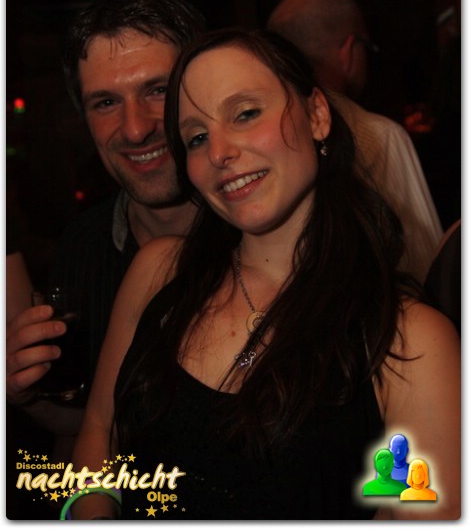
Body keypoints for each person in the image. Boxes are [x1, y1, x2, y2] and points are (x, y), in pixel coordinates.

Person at [72, 29, 460, 520]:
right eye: (197, 137)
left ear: (317, 115)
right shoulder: (159, 275)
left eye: (245, 114)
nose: (218, 152)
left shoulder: (410, 341)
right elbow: (98, 429)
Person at [6, 0, 205, 457]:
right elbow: (95, 424)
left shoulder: (266, 238)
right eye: (106, 102)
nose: (135, 128)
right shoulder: (84, 246)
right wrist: (28, 393)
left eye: (157, 91)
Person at [267, 0, 443, 283]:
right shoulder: (381, 136)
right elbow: (426, 269)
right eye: (367, 48)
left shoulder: (261, 135)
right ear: (348, 50)